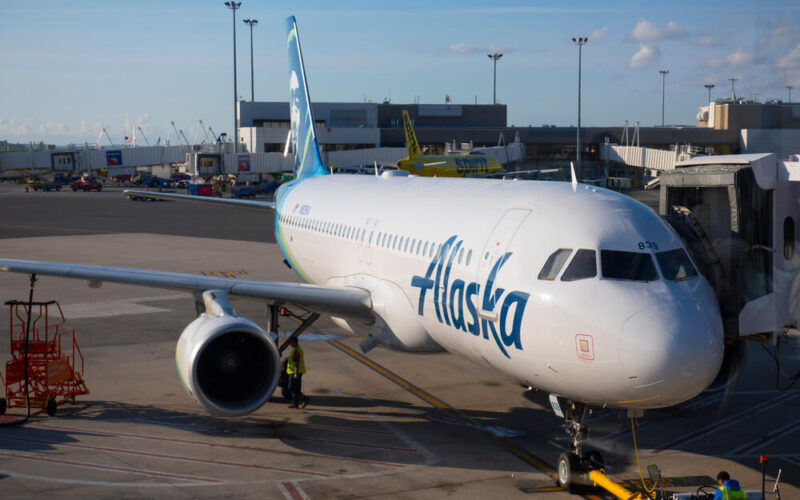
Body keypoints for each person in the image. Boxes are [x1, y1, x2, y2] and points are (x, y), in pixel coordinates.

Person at [286, 337, 309, 409]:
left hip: (295, 373)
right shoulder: (297, 349)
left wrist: (295, 373)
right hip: (297, 372)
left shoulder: (296, 351)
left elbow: (297, 363)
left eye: (291, 342)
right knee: (296, 388)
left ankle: (304, 399)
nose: (290, 344)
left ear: (294, 342)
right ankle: (295, 403)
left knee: (291, 387)